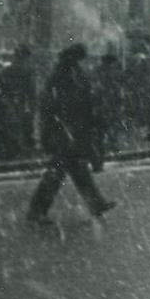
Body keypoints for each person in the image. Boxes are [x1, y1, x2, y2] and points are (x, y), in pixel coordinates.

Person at [26, 45, 115, 224]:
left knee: (73, 171)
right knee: (61, 173)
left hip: (69, 130)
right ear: (75, 59)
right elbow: (65, 104)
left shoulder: (67, 74)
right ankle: (37, 211)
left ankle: (95, 204)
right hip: (66, 131)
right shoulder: (65, 76)